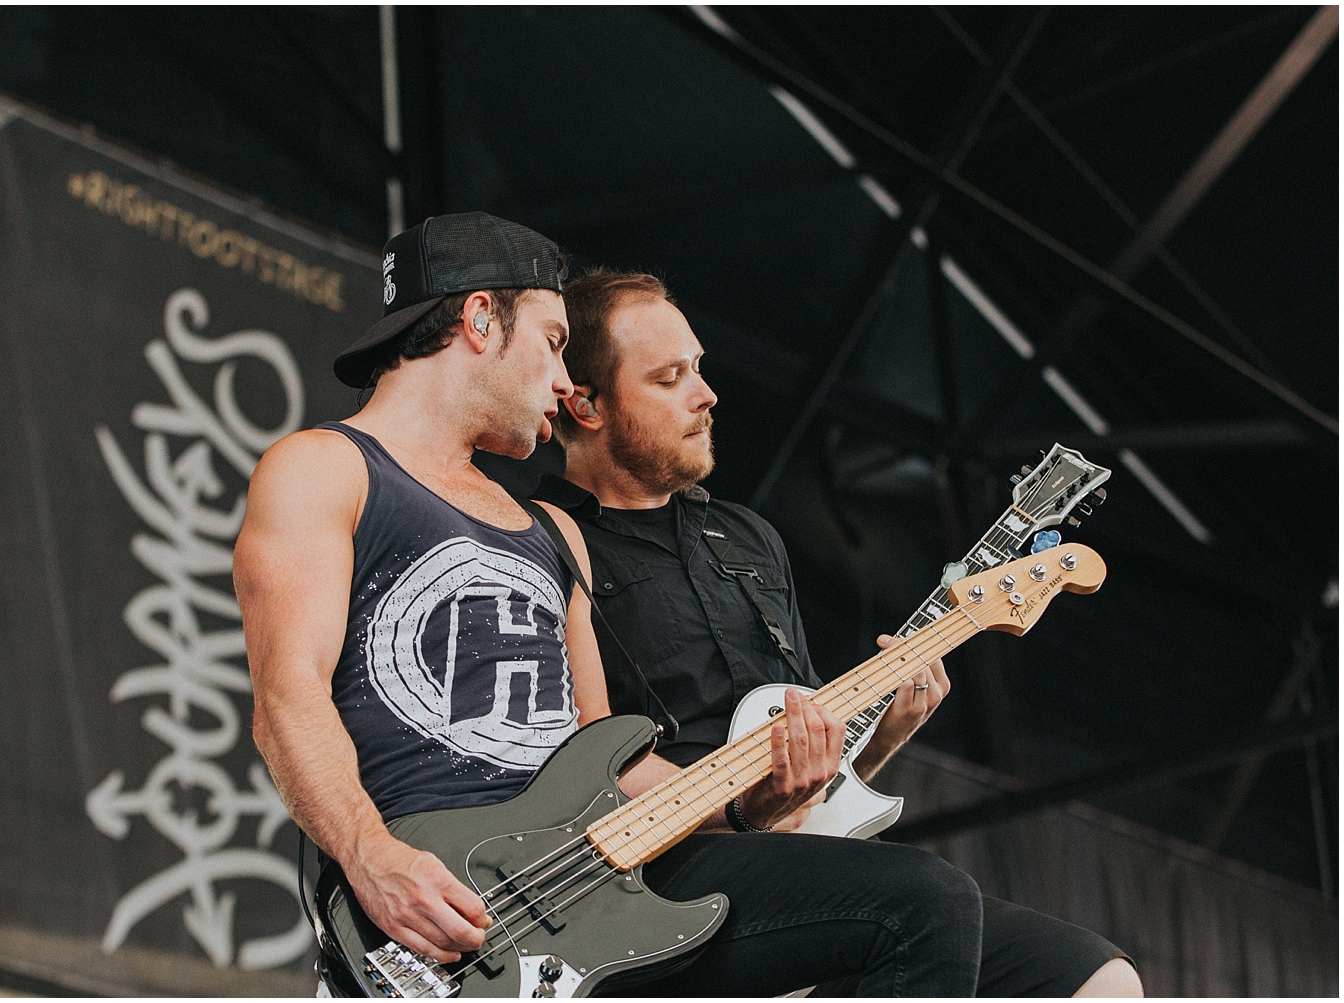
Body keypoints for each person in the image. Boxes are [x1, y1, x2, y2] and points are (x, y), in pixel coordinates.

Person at [237, 213, 995, 999]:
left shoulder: (552, 530)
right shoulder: (327, 467)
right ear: (480, 319)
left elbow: (607, 761)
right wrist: (370, 857)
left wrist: (745, 805)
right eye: (555, 340)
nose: (565, 382)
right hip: (435, 917)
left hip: (592, 891)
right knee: (924, 902)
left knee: (921, 905)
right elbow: (287, 694)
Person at [533, 266, 1144, 997]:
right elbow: (575, 763)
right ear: (587, 404)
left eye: (700, 367)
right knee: (930, 896)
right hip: (662, 872)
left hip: (795, 862)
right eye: (670, 378)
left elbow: (810, 771)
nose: (706, 393)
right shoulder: (543, 541)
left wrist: (884, 734)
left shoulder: (749, 539)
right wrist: (740, 809)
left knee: (1094, 974)